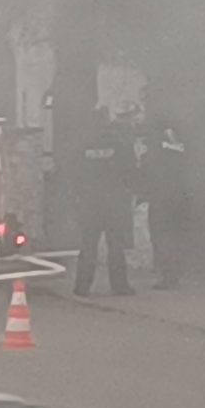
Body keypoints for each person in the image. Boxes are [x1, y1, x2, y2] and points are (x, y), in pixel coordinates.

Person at [70, 108, 139, 297]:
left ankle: (82, 286)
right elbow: (130, 170)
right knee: (116, 245)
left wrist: (78, 196)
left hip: (90, 202)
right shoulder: (119, 142)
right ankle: (120, 286)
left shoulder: (83, 144)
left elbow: (75, 172)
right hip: (114, 201)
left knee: (88, 244)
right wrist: (128, 193)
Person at [143, 115, 194, 290]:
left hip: (161, 198)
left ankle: (168, 276)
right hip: (180, 198)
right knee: (176, 236)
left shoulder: (155, 148)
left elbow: (148, 171)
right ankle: (176, 274)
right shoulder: (182, 147)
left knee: (161, 236)